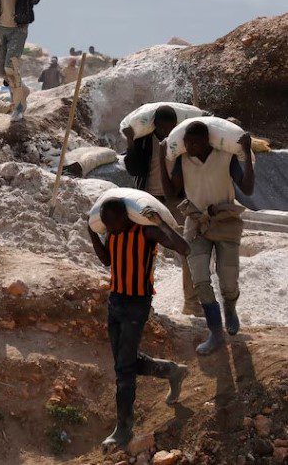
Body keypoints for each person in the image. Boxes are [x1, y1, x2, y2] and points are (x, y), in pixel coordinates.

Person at [88, 199, 190, 451]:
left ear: (126, 217)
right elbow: (106, 261)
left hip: (136, 304)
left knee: (124, 369)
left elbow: (184, 248)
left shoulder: (146, 231)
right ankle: (171, 371)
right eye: (108, 227)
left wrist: (161, 224)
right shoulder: (113, 231)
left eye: (114, 225)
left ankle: (123, 429)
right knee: (125, 361)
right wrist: (93, 232)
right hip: (115, 301)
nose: (112, 230)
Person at [160, 121, 255, 355]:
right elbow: (172, 195)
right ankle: (215, 331)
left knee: (228, 277)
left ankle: (230, 308)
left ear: (206, 141)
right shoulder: (183, 161)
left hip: (224, 220)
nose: (188, 146)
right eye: (186, 142)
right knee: (200, 279)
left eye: (194, 142)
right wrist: (163, 160)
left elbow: (248, 188)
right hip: (196, 222)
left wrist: (248, 154)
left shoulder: (225, 157)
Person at [122, 106, 202, 316]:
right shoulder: (145, 140)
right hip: (149, 199)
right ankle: (141, 299)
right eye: (165, 126)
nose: (169, 130)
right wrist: (130, 141)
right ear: (156, 125)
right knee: (144, 249)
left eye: (172, 126)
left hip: (177, 201)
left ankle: (191, 303)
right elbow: (133, 168)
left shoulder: (181, 140)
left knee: (187, 248)